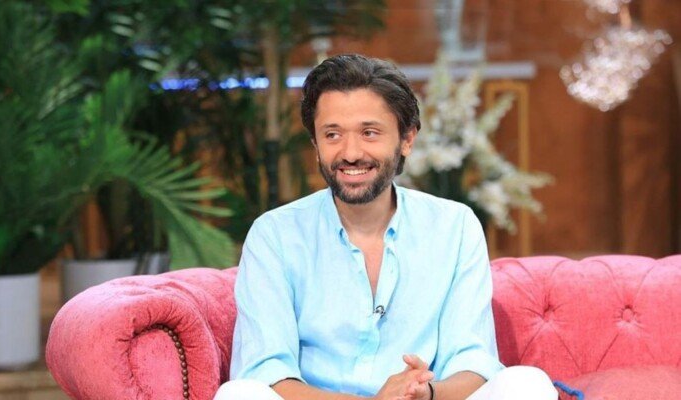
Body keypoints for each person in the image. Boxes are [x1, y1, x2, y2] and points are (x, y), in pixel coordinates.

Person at [215, 54, 557, 400]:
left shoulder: (455, 226)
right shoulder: (275, 234)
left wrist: (426, 393)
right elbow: (266, 373)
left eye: (369, 133)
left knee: (527, 383)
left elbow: (473, 362)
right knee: (239, 394)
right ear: (316, 145)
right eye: (332, 134)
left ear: (406, 139)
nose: (350, 153)